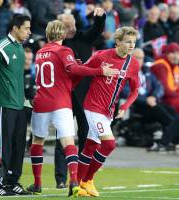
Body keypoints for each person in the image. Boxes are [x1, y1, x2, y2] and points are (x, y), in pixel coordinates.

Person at [26, 20, 118, 197]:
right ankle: (74, 181)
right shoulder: (64, 50)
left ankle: (37, 183)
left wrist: (76, 72)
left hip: (41, 102)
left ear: (47, 34)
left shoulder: (39, 53)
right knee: (68, 143)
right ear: (62, 35)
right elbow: (73, 69)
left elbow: (67, 79)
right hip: (61, 103)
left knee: (37, 141)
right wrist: (99, 71)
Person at [77, 26, 140, 197]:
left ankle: (77, 184)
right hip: (93, 106)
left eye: (134, 42)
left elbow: (135, 90)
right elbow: (82, 70)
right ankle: (87, 180)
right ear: (118, 42)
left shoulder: (133, 64)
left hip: (108, 111)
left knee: (91, 146)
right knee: (109, 144)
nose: (131, 45)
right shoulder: (101, 56)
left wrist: (125, 106)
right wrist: (98, 71)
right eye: (128, 41)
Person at [0, 14, 31, 196]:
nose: (29, 32)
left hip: (19, 106)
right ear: (15, 28)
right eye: (26, 28)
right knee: (3, 146)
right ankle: (1, 184)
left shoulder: (19, 48)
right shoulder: (0, 48)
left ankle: (13, 181)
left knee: (19, 146)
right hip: (3, 106)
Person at [55, 8, 106, 189]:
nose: (71, 27)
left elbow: (97, 30)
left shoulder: (84, 38)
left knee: (85, 137)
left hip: (85, 97)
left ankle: (83, 177)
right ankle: (60, 179)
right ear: (60, 27)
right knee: (63, 139)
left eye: (73, 24)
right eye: (67, 25)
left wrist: (100, 18)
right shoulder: (58, 45)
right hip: (65, 97)